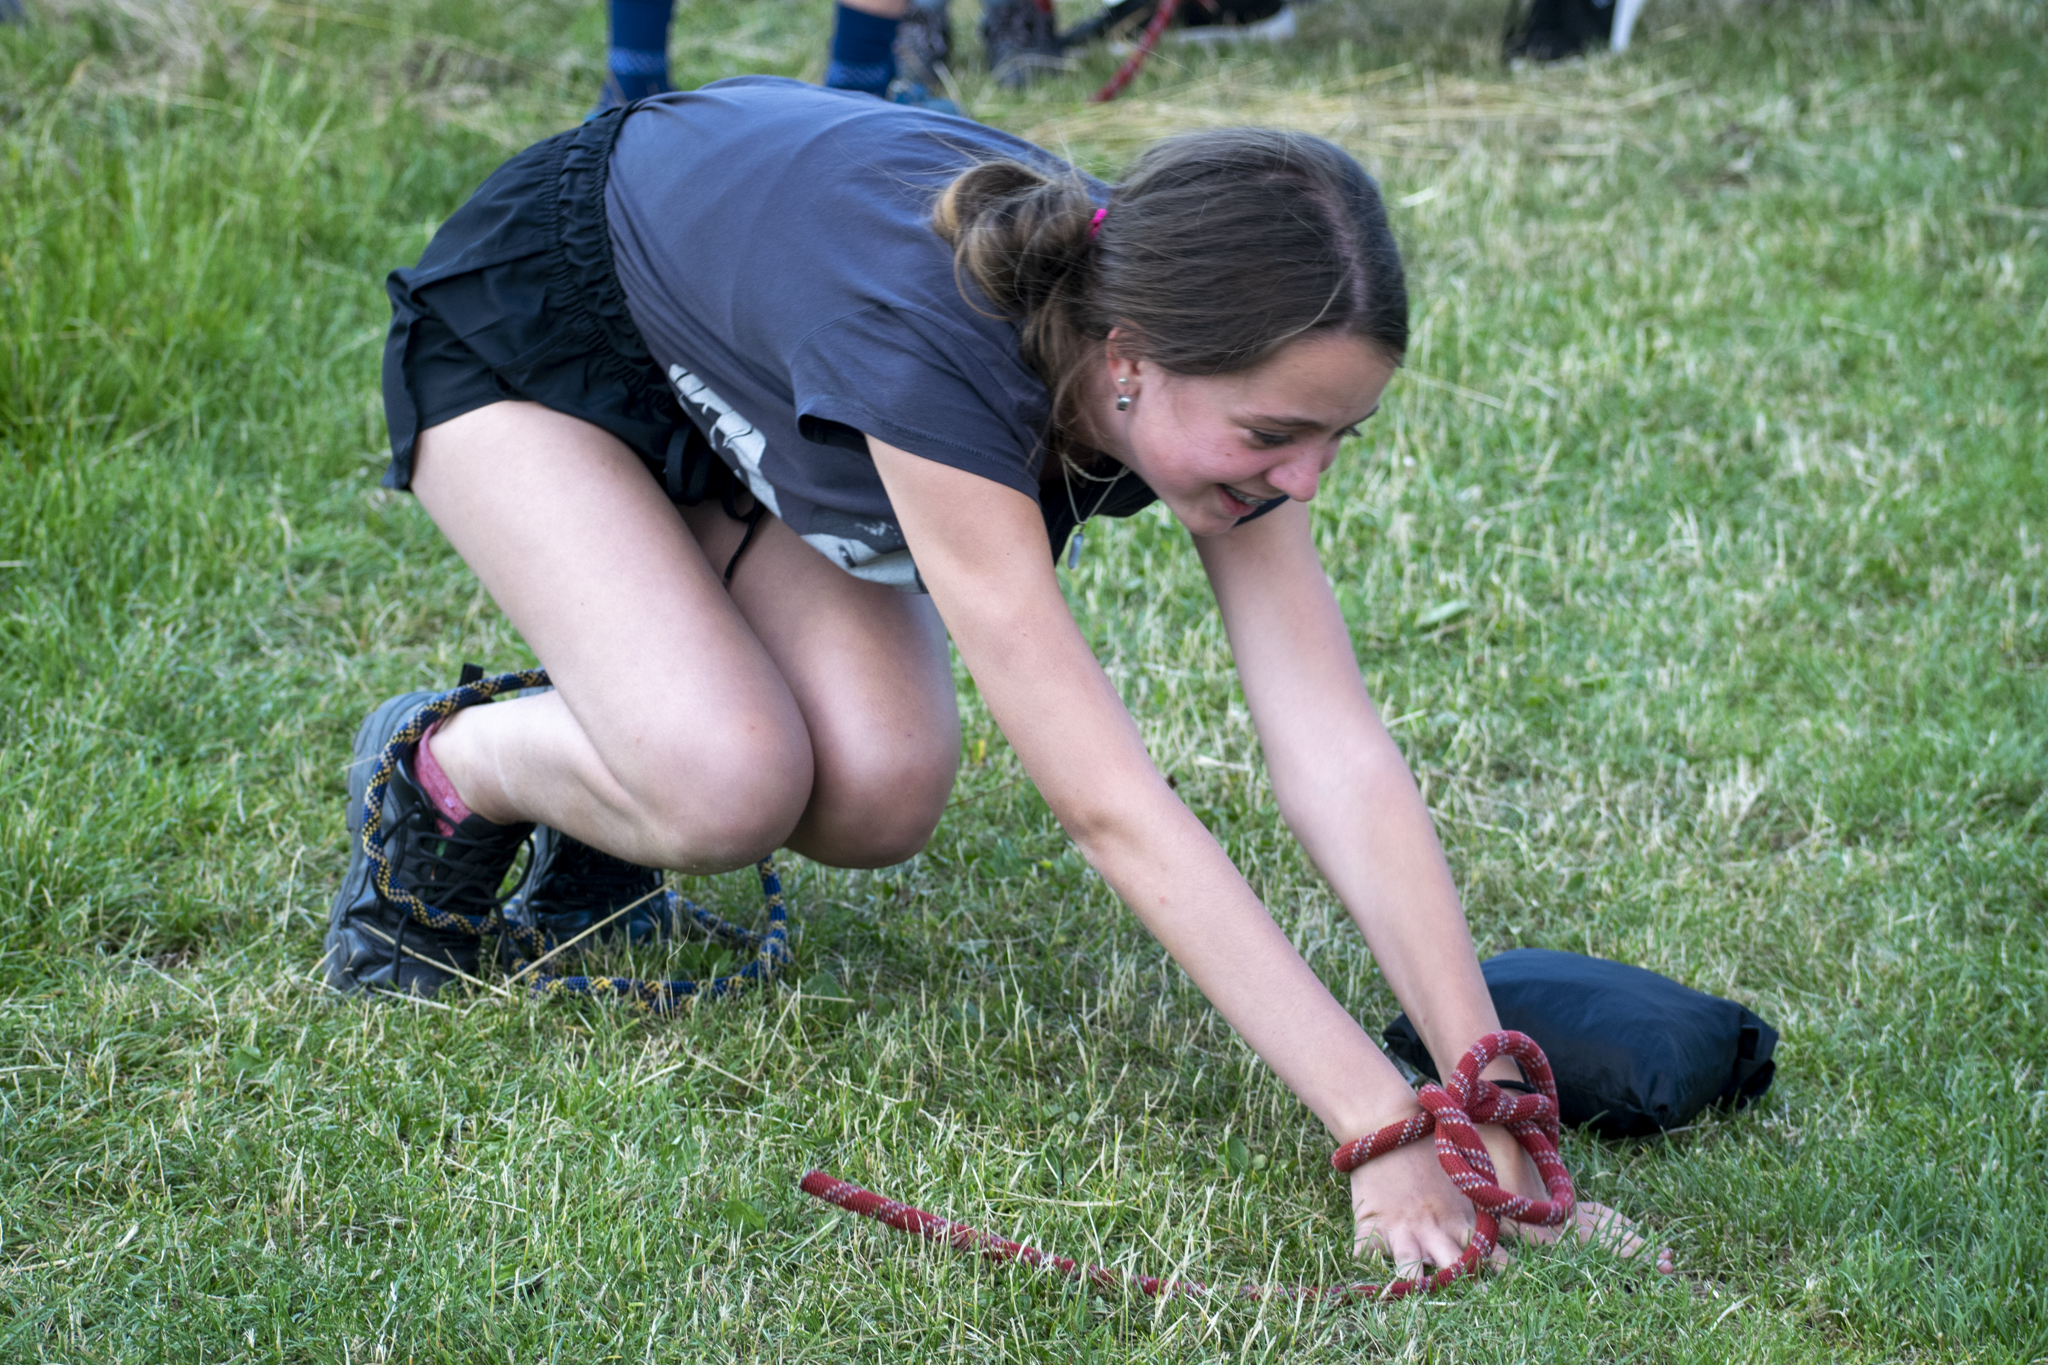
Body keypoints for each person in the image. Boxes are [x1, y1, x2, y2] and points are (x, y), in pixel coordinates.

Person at [334, 75, 1669, 1281]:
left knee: (881, 788)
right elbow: (1109, 804)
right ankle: (453, 764)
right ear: (1128, 361)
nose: (1305, 479)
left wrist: (1489, 1108)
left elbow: (1334, 746)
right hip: (551, 334)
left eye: (1339, 437)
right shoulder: (938, 363)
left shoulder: (1201, 363)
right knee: (723, 777)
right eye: (1276, 431)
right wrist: (1376, 1122)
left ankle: (624, 720)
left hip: (756, 378)